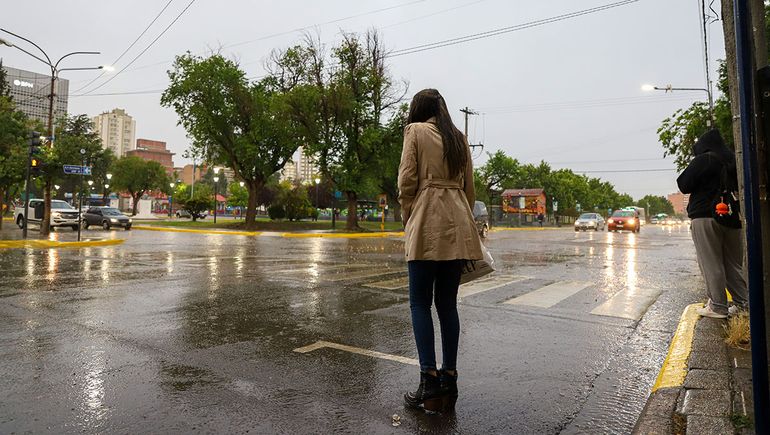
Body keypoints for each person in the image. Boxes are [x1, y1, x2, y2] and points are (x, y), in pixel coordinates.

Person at [398, 89, 483, 412]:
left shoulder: (415, 131)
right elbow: (470, 190)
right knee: (447, 304)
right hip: (458, 222)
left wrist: (409, 217)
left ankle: (428, 380)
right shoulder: (459, 138)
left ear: (418, 109)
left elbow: (406, 181)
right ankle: (450, 378)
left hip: (427, 218)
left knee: (419, 302)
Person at [677, 129, 748, 319]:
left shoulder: (705, 159)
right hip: (732, 217)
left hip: (705, 216)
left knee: (711, 263)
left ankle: (717, 306)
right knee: (733, 264)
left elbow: (683, 184)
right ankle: (743, 304)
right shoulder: (733, 160)